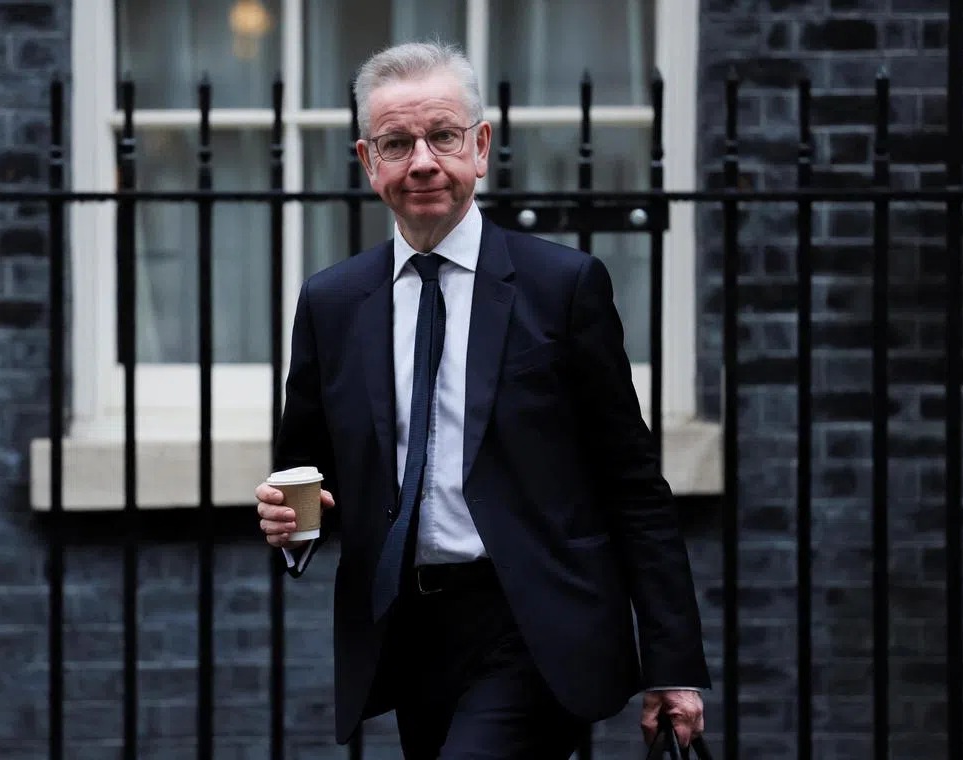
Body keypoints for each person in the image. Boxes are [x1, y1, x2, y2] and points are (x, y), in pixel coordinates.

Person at [255, 40, 710, 759]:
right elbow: (305, 469)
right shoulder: (334, 302)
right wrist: (292, 525)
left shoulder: (563, 287)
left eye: (442, 135)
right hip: (410, 631)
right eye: (397, 143)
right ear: (369, 161)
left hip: (533, 623)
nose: (423, 162)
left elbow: (632, 482)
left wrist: (673, 663)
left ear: (481, 145)